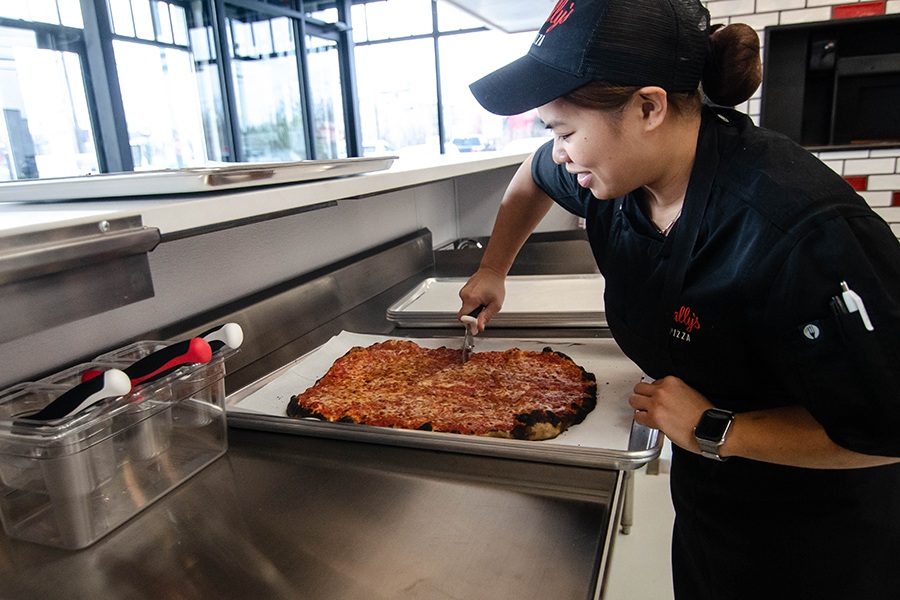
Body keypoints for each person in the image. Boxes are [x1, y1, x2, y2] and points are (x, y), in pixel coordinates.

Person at [457, 0, 900, 598]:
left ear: (648, 107)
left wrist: (718, 430)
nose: (559, 151)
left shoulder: (798, 231)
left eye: (564, 131)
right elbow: (534, 175)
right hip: (710, 503)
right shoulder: (618, 178)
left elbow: (885, 430)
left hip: (820, 537)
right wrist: (493, 269)